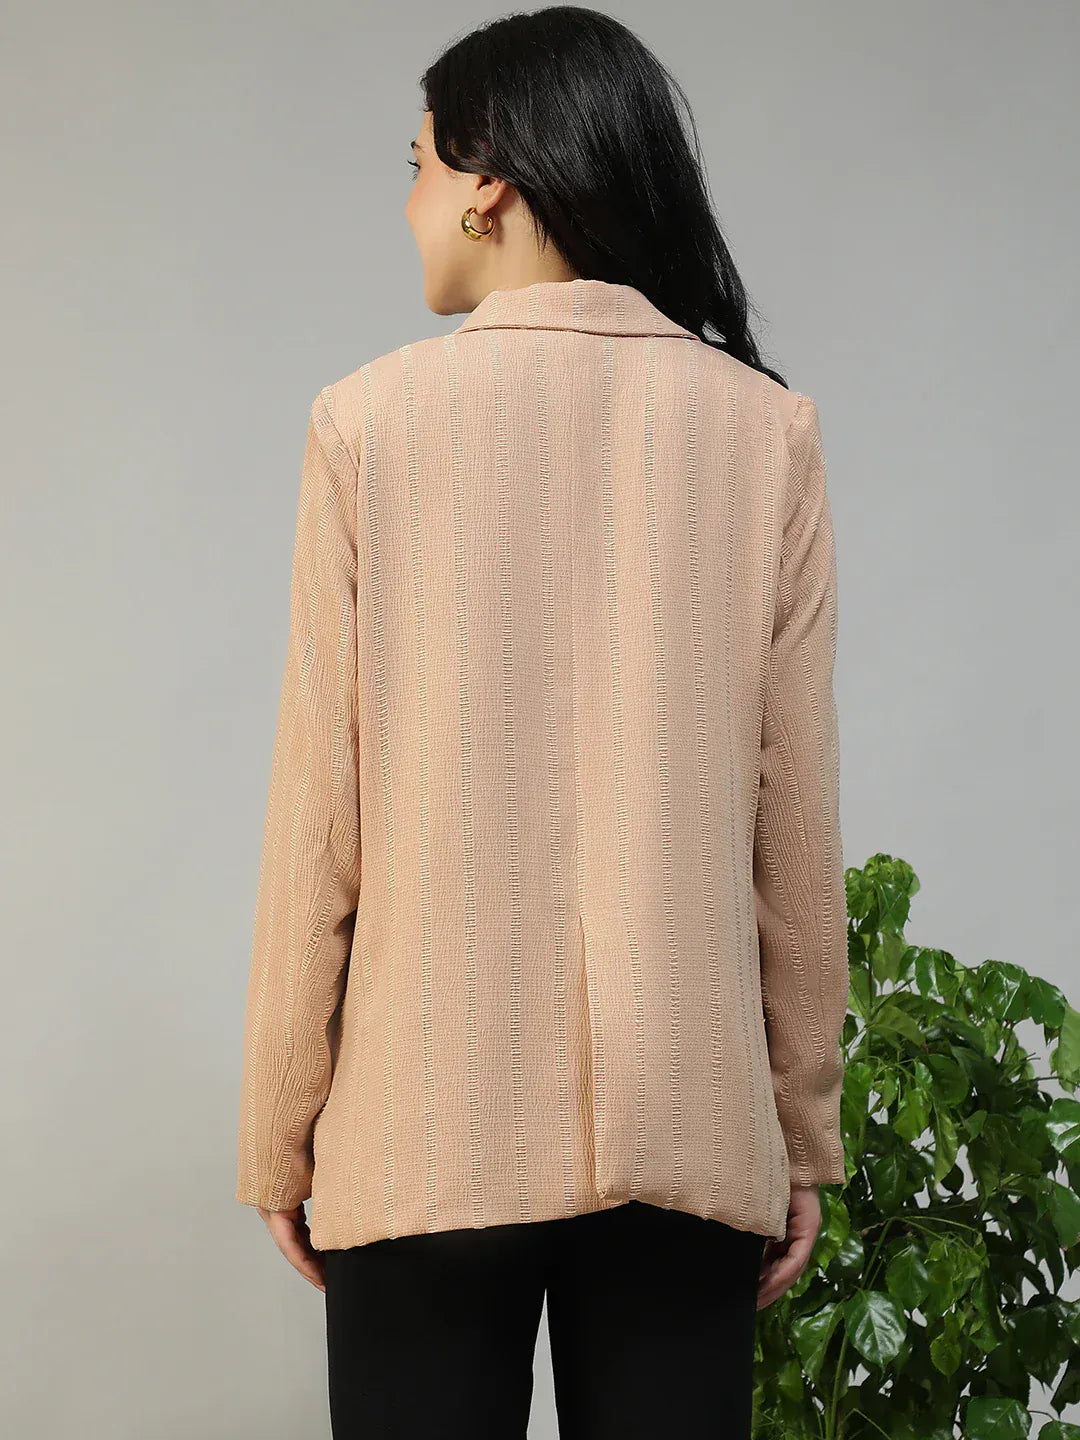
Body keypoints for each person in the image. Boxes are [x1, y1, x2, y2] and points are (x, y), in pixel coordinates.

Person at [235, 6, 849, 1436]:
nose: (410, 204)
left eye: (417, 166)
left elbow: (320, 820)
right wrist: (797, 1135)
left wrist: (279, 1126)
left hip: (423, 1130)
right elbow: (798, 822)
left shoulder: (366, 424)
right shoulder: (765, 432)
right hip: (687, 1141)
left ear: (488, 182)